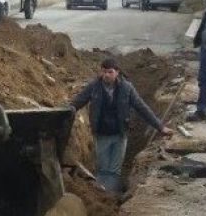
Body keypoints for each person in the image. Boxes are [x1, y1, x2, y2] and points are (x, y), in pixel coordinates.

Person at [68, 58, 173, 193]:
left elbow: (142, 107)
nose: (106, 75)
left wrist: (160, 127)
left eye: (110, 72)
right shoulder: (94, 86)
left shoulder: (126, 88)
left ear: (117, 72)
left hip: (120, 134)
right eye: (104, 72)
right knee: (103, 168)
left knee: (114, 170)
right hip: (102, 134)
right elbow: (78, 102)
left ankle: (110, 196)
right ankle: (100, 195)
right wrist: (64, 112)